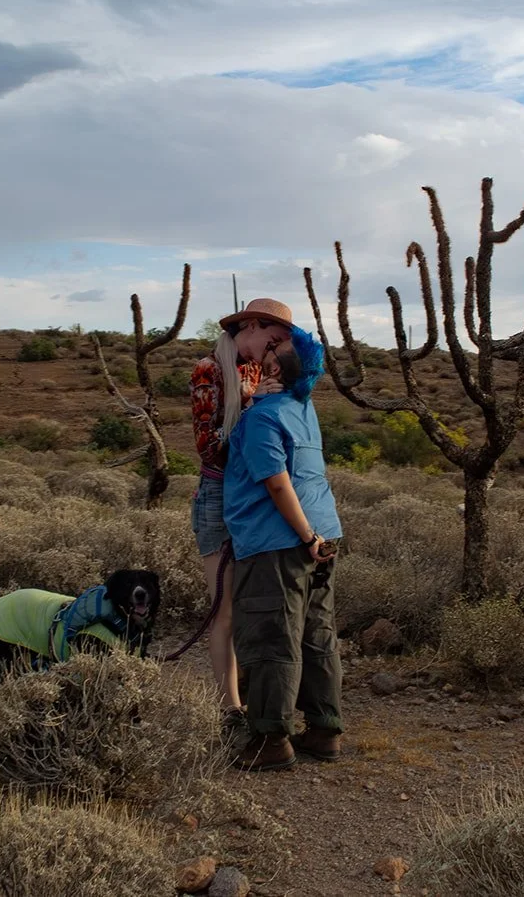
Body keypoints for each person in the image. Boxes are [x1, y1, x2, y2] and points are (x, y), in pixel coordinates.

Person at [222, 325, 343, 771]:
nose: (267, 350)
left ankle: (269, 740)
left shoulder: (261, 418)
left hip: (279, 543)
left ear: (274, 367)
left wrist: (305, 537)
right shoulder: (302, 408)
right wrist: (316, 537)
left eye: (273, 350)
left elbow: (277, 483)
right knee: (316, 634)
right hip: (326, 533)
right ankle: (324, 730)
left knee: (272, 636)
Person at [188, 298, 293, 729]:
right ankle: (228, 707)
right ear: (250, 326)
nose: (273, 350)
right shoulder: (209, 369)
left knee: (250, 600)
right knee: (226, 607)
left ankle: (245, 691)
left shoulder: (252, 368)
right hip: (217, 493)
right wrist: (254, 410)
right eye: (273, 339)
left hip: (247, 495)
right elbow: (208, 445)